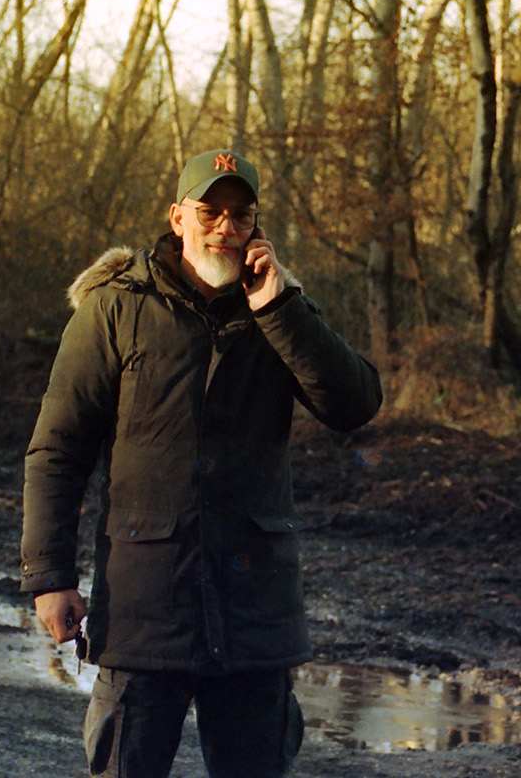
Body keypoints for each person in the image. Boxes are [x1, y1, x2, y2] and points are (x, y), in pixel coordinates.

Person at [21, 148, 382, 778]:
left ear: (256, 224)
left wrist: (281, 311)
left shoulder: (280, 308)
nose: (225, 227)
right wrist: (50, 577)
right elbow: (58, 448)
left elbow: (354, 405)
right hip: (143, 607)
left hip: (255, 613)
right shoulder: (118, 307)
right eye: (210, 212)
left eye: (241, 215)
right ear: (177, 217)